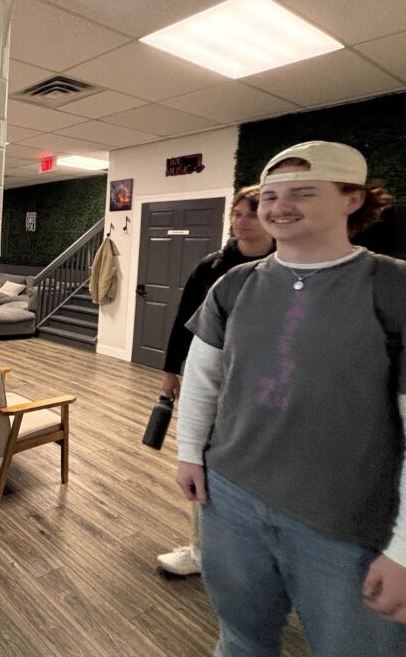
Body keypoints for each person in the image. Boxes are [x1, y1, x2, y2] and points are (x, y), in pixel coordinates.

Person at [176, 140, 406, 656]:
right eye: (270, 196)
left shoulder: (391, 287)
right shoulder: (233, 285)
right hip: (230, 500)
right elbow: (203, 377)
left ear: (353, 200)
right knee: (240, 640)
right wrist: (190, 451)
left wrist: (404, 550)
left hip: (347, 521)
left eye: (303, 193)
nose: (279, 208)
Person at [156, 186, 275, 577]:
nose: (240, 221)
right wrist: (170, 371)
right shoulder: (210, 268)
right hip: (212, 380)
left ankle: (260, 552)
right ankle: (201, 550)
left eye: (249, 214)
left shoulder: (287, 266)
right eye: (235, 213)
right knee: (203, 461)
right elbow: (183, 321)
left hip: (267, 386)